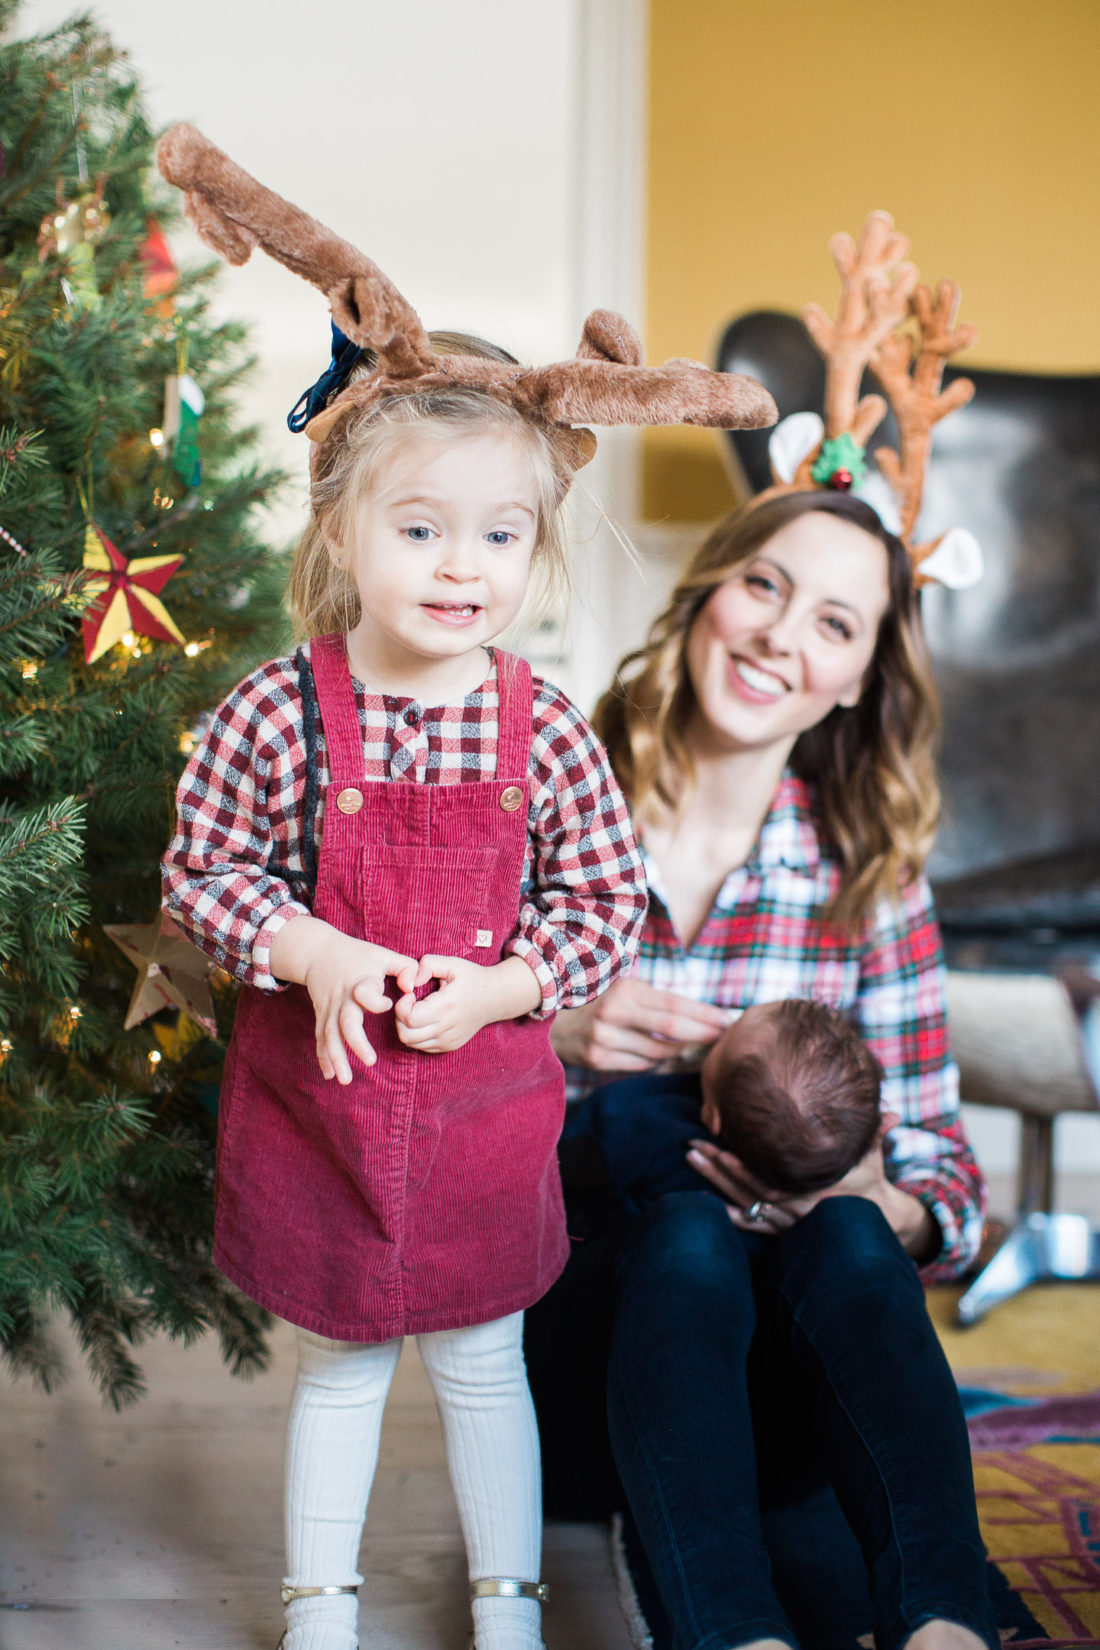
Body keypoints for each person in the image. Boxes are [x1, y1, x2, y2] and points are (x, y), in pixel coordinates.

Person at [155, 123, 775, 1650]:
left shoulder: (541, 721)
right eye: (420, 527)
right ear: (344, 526)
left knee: (487, 1362)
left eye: (499, 535)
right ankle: (321, 1602)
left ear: (533, 547)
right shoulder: (278, 709)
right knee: (347, 1366)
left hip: (489, 1109)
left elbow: (600, 903)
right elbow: (203, 872)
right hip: (330, 1103)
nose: (460, 565)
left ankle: (508, 1603)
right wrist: (313, 951)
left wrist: (507, 984)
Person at [524, 488, 999, 1650]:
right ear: (706, 596)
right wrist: (550, 1028)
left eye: (834, 625)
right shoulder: (547, 811)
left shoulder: (866, 881)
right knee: (685, 1235)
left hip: (790, 1379)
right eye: (764, 586)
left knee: (844, 1233)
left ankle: (944, 1620)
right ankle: (730, 1631)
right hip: (593, 1357)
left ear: (854, 680)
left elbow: (947, 1187)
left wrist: (864, 1198)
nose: (782, 638)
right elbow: (415, 1105)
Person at [558, 998, 885, 1232]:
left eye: (721, 1042)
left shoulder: (643, 1117)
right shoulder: (817, 1167)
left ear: (712, 1115)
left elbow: (573, 1162)